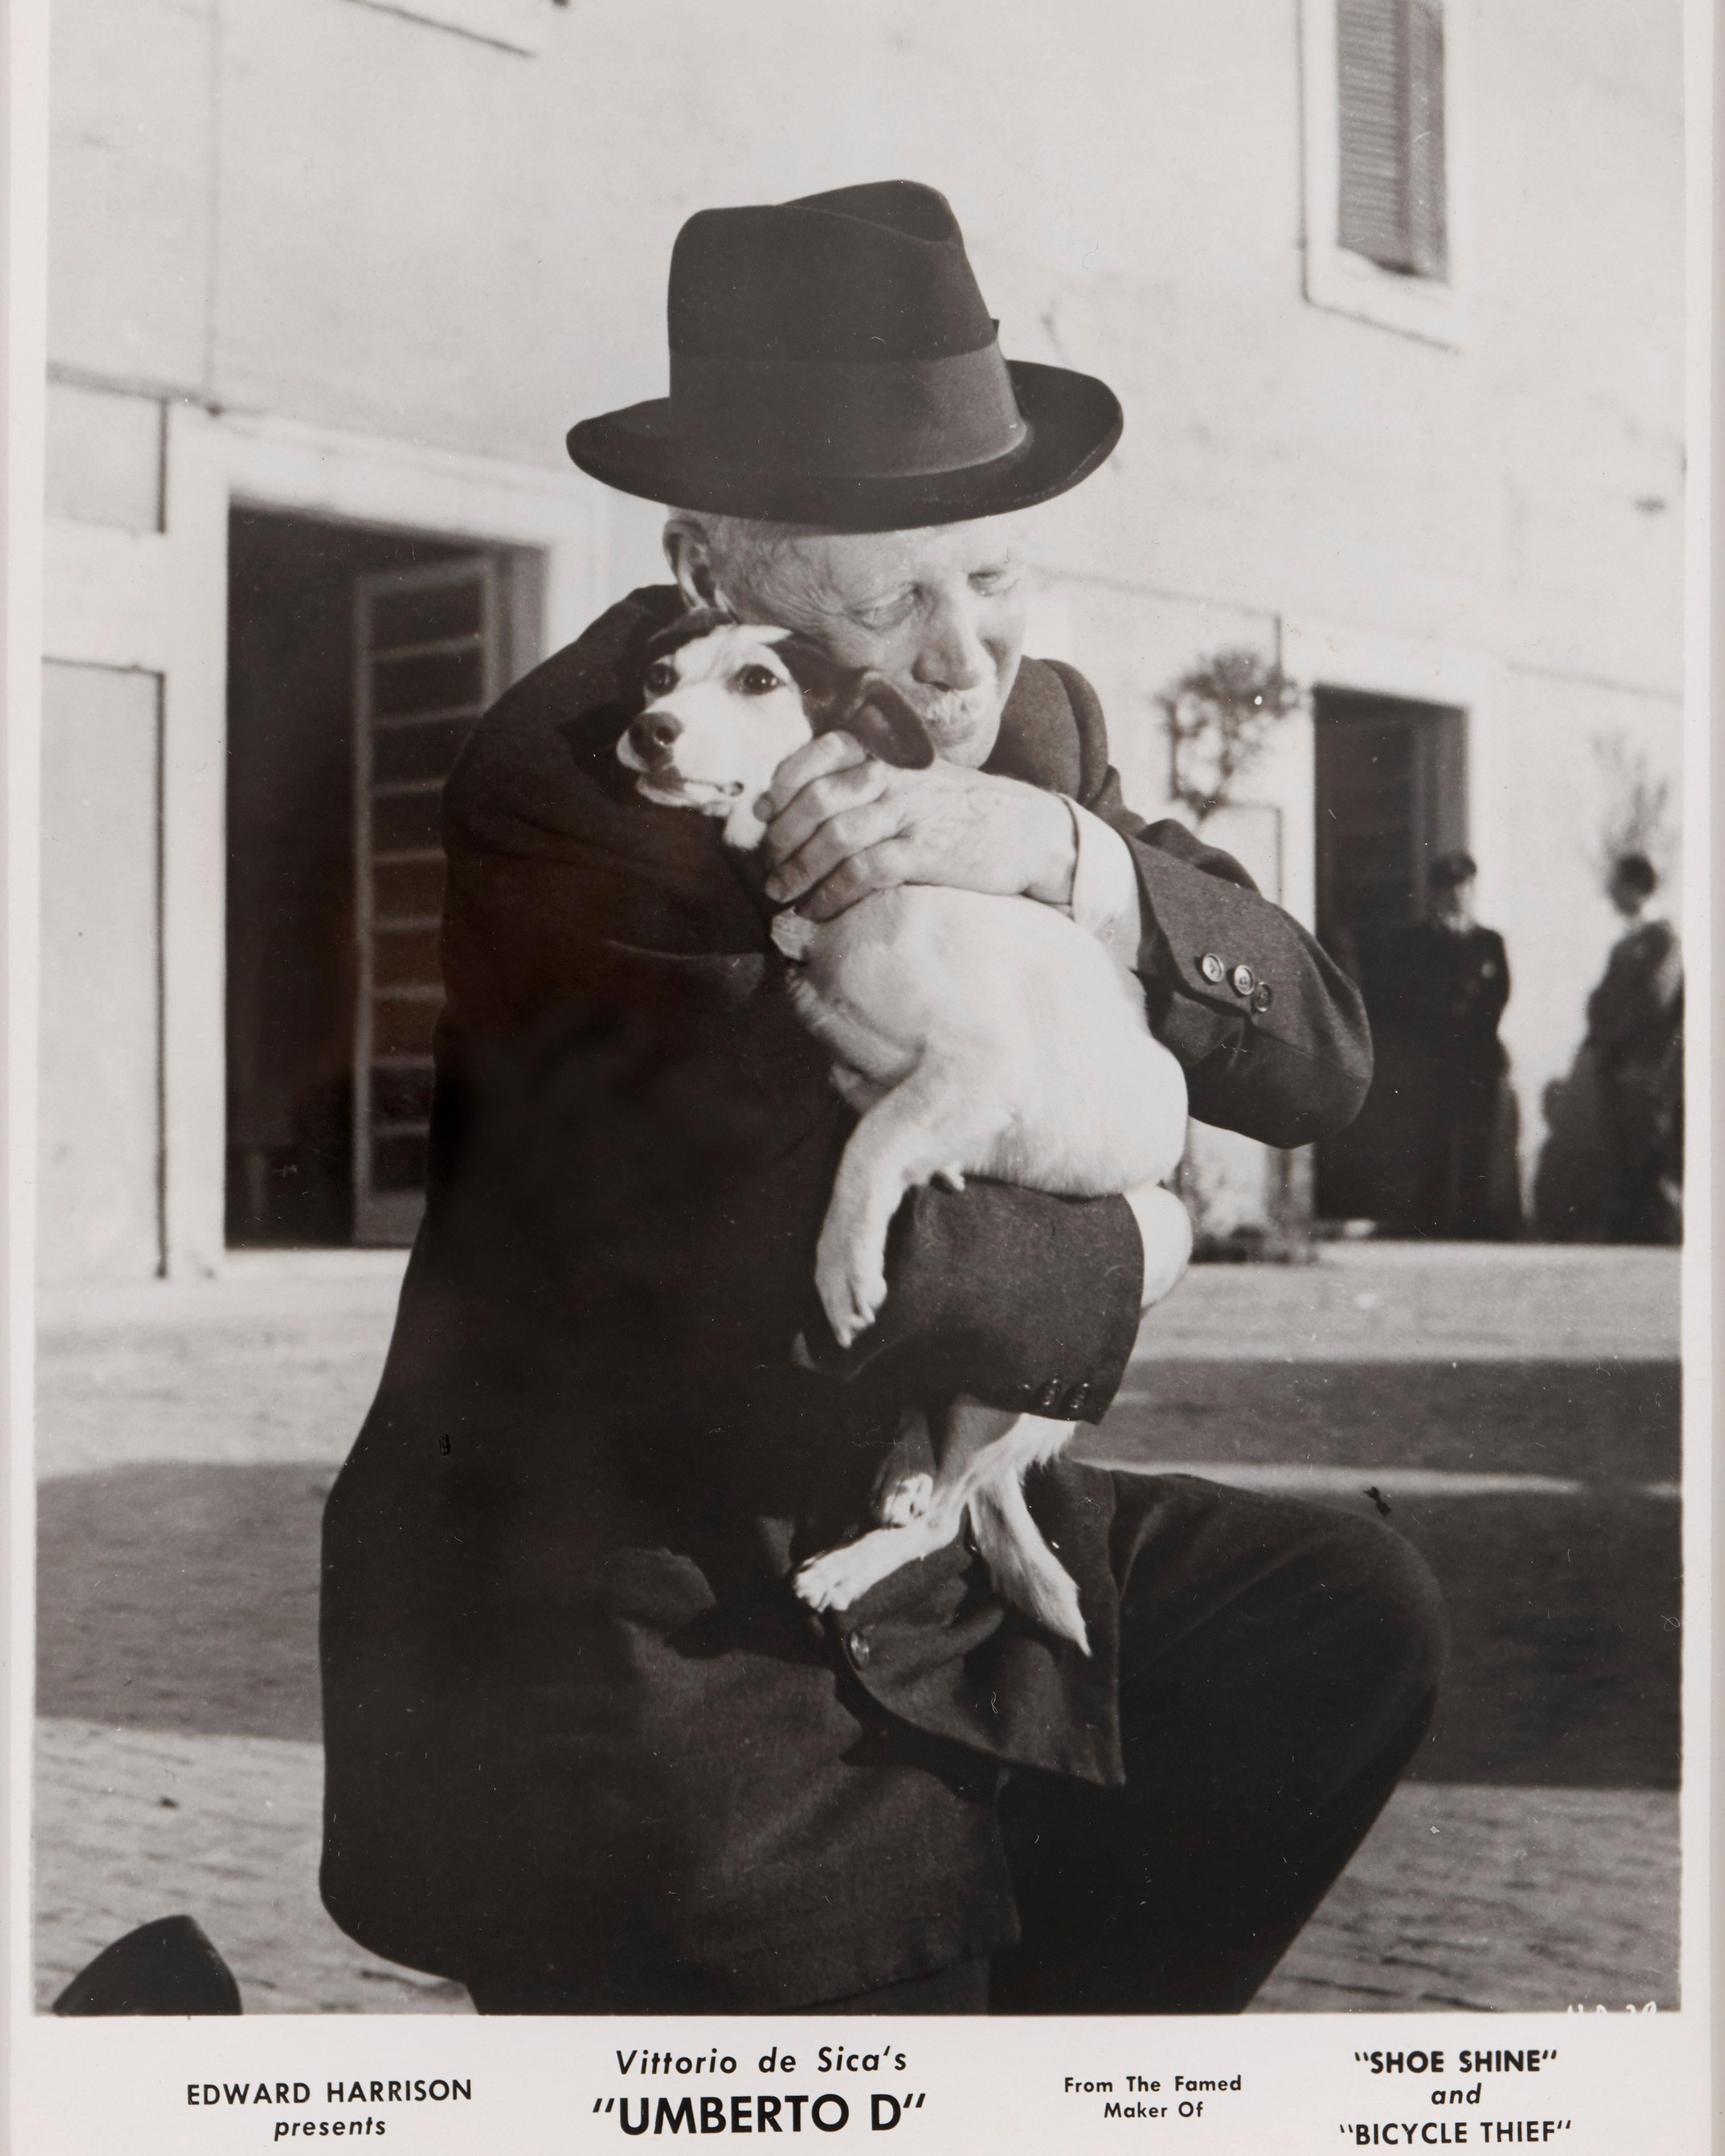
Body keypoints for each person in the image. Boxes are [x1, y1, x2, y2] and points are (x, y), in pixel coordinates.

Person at [318, 179, 1445, 2015]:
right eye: (892, 598)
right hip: (671, 1625)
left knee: (1340, 1615)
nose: (962, 656)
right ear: (709, 576)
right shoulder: (582, 788)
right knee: (863, 1974)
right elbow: (804, 1259)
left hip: (914, 1534)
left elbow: (1318, 1056)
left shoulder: (1030, 732)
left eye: (995, 576)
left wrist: (1073, 858)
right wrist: (1148, 1230)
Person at [1399, 853, 1514, 1239]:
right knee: (1437, 1133)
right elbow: (1413, 995)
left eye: (1464, 888)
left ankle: (1474, 1218)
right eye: (1449, 890)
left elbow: (1499, 995)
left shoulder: (1489, 941)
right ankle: (1433, 1219)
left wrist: (1476, 1025)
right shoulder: (1421, 942)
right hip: (1437, 1052)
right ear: (1435, 895)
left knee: (1479, 1135)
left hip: (1480, 1052)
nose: (1457, 897)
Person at [1587, 853, 1683, 1244]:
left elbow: (1655, 1000)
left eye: (1617, 884)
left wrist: (1616, 1035)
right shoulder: (1625, 943)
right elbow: (1600, 999)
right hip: (1616, 1059)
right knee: (1622, 1146)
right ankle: (1630, 1227)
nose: (1610, 893)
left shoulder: (1663, 939)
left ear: (1636, 887)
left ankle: (1662, 1227)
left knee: (1649, 1144)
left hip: (1646, 1061)